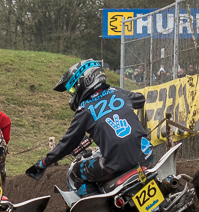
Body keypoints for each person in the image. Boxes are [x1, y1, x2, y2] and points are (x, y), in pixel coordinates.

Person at [24, 59, 152, 192]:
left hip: (115, 163)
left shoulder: (85, 109)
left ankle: (98, 205)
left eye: (72, 89)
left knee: (74, 174)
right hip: (146, 154)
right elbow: (140, 99)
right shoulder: (118, 92)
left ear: (85, 81)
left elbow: (67, 143)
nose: (72, 93)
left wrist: (44, 162)